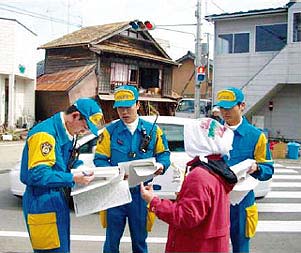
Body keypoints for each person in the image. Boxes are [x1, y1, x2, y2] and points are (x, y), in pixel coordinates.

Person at [140, 117, 238, 253]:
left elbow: (186, 217)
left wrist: (154, 201)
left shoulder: (200, 175)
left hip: (195, 246)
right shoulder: (218, 168)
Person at [93, 85, 171, 253]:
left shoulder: (153, 130)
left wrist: (160, 166)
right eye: (120, 108)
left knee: (140, 241)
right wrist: (115, 173)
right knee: (111, 241)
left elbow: (164, 155)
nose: (124, 112)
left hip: (141, 194)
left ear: (137, 105)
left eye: (128, 107)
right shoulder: (109, 132)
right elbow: (99, 159)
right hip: (116, 192)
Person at [20, 98, 104, 253]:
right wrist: (72, 178)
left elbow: (65, 162)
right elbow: (37, 175)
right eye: (84, 127)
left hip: (56, 199)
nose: (83, 132)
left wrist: (81, 169)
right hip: (42, 202)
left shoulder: (63, 132)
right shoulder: (45, 135)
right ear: (74, 116)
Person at [215, 87, 274, 253]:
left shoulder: (256, 136)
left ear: (242, 106)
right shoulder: (212, 132)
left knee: (241, 247)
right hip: (216, 198)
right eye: (222, 108)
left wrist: (256, 167)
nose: (224, 112)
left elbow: (268, 168)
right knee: (213, 246)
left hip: (242, 199)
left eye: (229, 108)